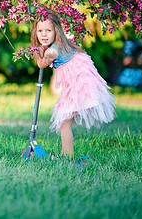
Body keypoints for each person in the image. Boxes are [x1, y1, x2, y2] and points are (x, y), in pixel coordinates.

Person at [32, 10, 116, 157]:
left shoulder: (52, 52)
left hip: (80, 86)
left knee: (64, 120)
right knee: (64, 121)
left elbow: (41, 64)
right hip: (80, 84)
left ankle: (67, 156)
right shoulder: (61, 45)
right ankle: (66, 154)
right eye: (40, 31)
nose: (44, 34)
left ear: (56, 31)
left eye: (48, 30)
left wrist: (35, 50)